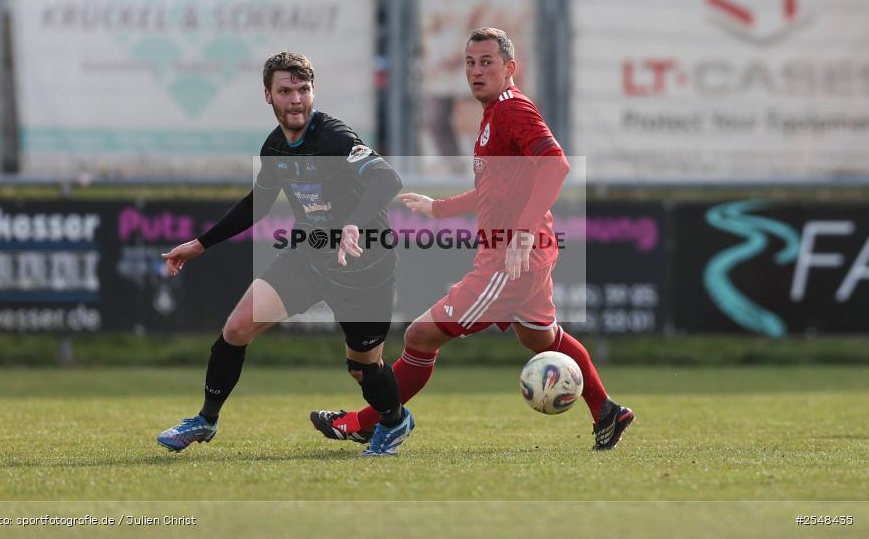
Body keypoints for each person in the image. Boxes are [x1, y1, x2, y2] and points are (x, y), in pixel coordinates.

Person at [311, 28, 634, 451]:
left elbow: (555, 165)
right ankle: (607, 411)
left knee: (420, 337)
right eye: (470, 63)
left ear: (510, 68)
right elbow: (494, 190)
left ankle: (367, 423)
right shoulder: (493, 113)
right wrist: (439, 208)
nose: (476, 71)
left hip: (509, 259)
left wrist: (521, 235)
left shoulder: (512, 109)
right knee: (539, 338)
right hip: (528, 253)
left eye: (487, 62)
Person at [157, 51, 414, 457]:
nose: (295, 99)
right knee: (236, 328)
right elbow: (257, 203)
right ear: (268, 95)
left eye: (303, 89)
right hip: (309, 257)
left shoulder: (334, 137)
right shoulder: (275, 147)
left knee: (363, 367)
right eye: (285, 91)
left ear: (313, 92)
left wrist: (354, 223)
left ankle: (394, 421)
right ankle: (205, 420)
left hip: (363, 265)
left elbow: (387, 178)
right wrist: (200, 244)